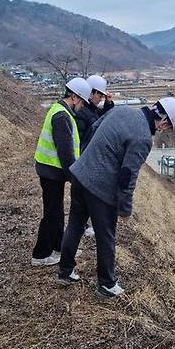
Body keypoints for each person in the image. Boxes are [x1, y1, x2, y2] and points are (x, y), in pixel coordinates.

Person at [57, 97, 175, 297]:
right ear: (164, 122)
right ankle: (106, 284)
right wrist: (125, 209)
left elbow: (93, 129)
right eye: (166, 127)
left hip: (80, 174)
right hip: (99, 188)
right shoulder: (143, 138)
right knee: (106, 236)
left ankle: (64, 271)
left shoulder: (122, 110)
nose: (163, 130)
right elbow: (127, 176)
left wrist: (86, 159)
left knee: (75, 223)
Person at [31, 77, 91, 266]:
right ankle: (40, 255)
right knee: (52, 214)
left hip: (51, 171)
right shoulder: (61, 117)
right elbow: (65, 153)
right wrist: (75, 177)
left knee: (57, 212)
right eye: (82, 102)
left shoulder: (61, 112)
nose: (81, 107)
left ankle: (59, 248)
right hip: (51, 172)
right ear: (74, 97)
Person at [74, 74, 114, 237]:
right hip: (85, 158)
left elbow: (99, 117)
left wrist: (109, 105)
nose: (100, 99)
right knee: (84, 196)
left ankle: (82, 225)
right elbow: (93, 126)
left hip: (87, 158)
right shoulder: (83, 113)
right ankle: (81, 226)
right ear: (90, 93)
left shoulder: (89, 110)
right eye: (99, 95)